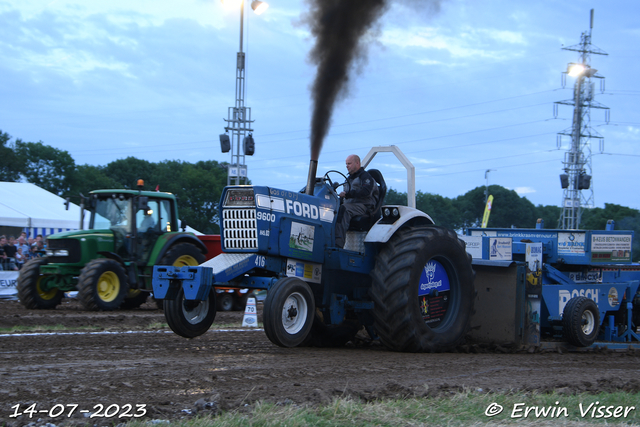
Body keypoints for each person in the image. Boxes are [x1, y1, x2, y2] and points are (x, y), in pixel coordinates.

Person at [334, 154, 379, 249]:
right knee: (331, 209)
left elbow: (366, 192)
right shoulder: (349, 179)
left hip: (363, 206)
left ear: (357, 163)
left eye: (349, 163)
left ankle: (337, 245)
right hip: (350, 205)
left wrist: (348, 194)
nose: (347, 166)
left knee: (344, 209)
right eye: (346, 164)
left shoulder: (366, 177)